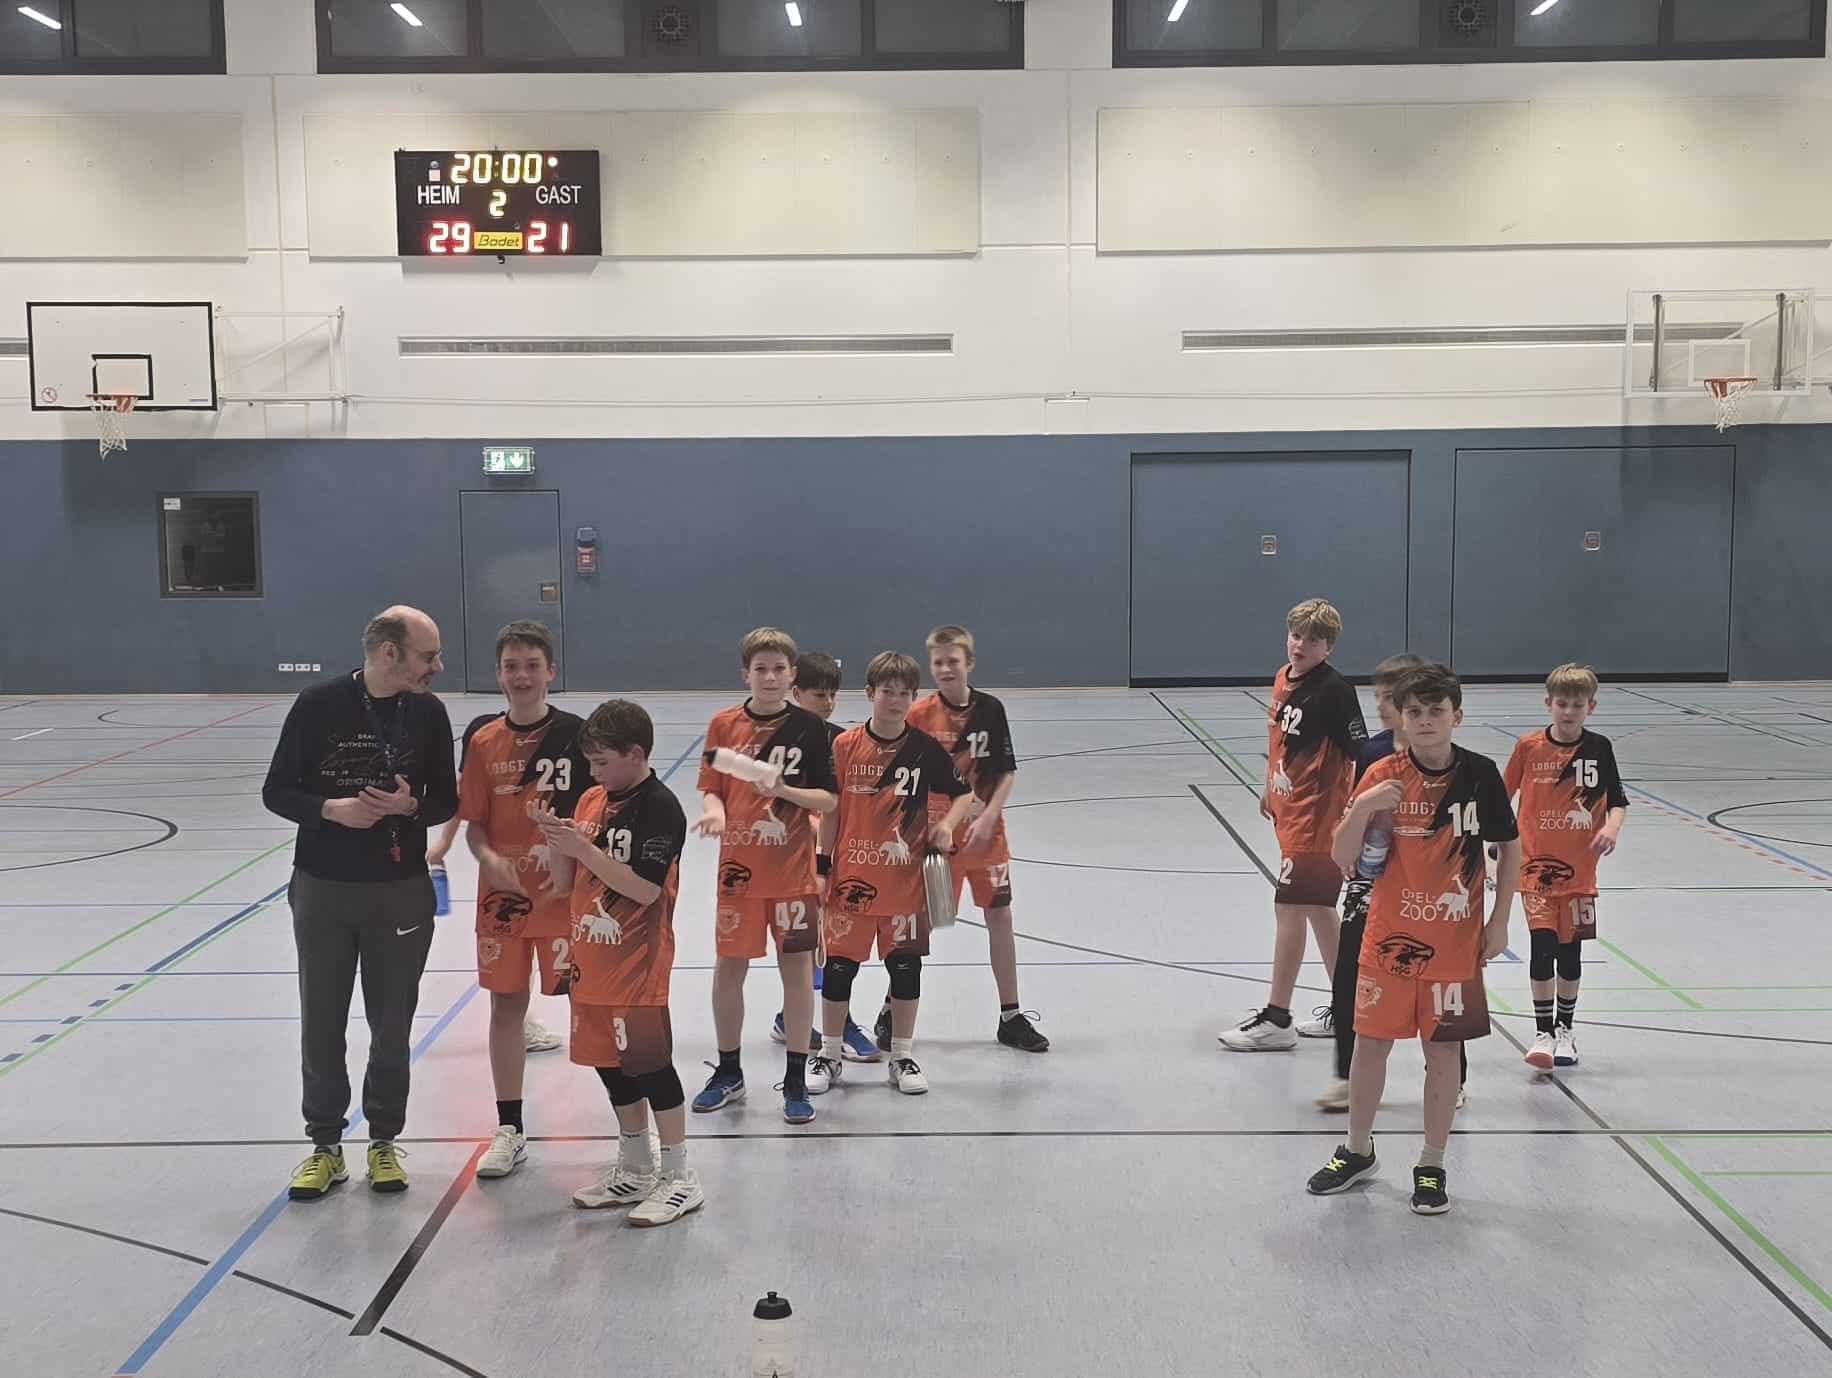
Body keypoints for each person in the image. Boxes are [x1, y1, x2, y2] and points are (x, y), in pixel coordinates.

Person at [1307, 664, 1519, 1215]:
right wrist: (1363, 806)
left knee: (1443, 1053)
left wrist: (1500, 920)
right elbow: (1341, 856)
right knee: (1370, 1047)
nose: (1426, 721)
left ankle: (1431, 1162)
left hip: (1455, 945)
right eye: (1415, 712)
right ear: (1401, 717)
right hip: (1387, 940)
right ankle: (1357, 1151)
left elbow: (1510, 847)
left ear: (1457, 717)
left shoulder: (1480, 774)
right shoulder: (1382, 773)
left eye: (1436, 711)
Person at [263, 607, 457, 1201]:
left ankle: (383, 1140)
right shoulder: (318, 704)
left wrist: (409, 808)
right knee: (321, 1021)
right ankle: (324, 1145)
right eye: (428, 655)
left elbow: (445, 800)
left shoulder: (427, 713)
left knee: (391, 1022)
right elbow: (277, 790)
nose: (438, 667)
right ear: (390, 652)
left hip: (399, 889)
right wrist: (331, 810)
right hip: (323, 887)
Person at [537, 699, 701, 1227]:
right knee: (609, 1066)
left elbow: (645, 890)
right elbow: (564, 884)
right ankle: (635, 1165)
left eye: (602, 762)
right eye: (590, 762)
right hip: (590, 962)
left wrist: (583, 850)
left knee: (650, 1067)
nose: (593, 773)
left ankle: (680, 1177)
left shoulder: (660, 807)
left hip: (637, 967)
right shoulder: (590, 800)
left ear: (635, 753)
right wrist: (557, 842)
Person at [453, 621, 594, 1177]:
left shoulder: (577, 736)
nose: (522, 676)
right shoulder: (484, 741)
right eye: (512, 666)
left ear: (550, 671)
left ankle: (636, 1128)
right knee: (506, 1007)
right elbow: (474, 826)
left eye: (532, 665)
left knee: (596, 1007)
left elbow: (598, 815)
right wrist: (489, 859)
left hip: (566, 900)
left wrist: (570, 862)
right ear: (498, 674)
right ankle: (509, 1128)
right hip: (503, 904)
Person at [809, 652, 973, 1096]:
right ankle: (829, 1054)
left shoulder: (924, 748)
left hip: (905, 884)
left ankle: (901, 1056)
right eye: (887, 691)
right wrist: (822, 867)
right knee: (839, 968)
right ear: (869, 693)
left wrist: (946, 825)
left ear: (913, 697)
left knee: (905, 968)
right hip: (852, 880)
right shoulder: (845, 746)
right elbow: (831, 811)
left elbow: (963, 793)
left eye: (904, 693)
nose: (895, 700)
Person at [1222, 599, 1367, 1051]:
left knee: (1288, 908)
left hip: (1318, 821)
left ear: (1329, 647)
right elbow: (1281, 742)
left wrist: (1358, 815)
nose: (1300, 645)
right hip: (1290, 810)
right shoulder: (1283, 678)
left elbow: (1363, 755)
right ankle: (1349, 1010)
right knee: (1319, 910)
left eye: (1313, 639)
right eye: (1296, 635)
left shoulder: (1335, 691)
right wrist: (1270, 785)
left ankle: (1277, 1017)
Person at [906, 624, 1048, 1052]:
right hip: (940, 839)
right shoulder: (920, 715)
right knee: (922, 924)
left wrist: (989, 816)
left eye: (953, 661)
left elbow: (1007, 771)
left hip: (987, 841)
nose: (945, 668)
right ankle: (892, 1009)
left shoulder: (990, 710)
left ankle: (1011, 1016)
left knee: (999, 916)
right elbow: (908, 779)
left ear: (969, 663)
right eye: (938, 662)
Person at [1502, 663, 1628, 1072]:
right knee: (1542, 948)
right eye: (1561, 704)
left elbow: (1618, 802)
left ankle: (1565, 1029)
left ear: (1591, 707)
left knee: (1570, 953)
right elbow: (1501, 798)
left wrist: (1611, 827)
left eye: (1577, 705)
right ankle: (1542, 1032)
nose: (1568, 712)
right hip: (1535, 869)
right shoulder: (1529, 747)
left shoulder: (1599, 748)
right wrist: (1493, 849)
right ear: (1548, 704)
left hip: (1580, 873)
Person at [1317, 652, 1423, 1111]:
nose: (1380, 705)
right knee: (1348, 975)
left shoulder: (1439, 758)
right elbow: (1355, 815)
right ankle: (1346, 1074)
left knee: (1432, 980)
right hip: (1370, 882)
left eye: (1390, 697)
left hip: (1423, 887)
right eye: (1377, 696)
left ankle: (1450, 1073)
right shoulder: (1372, 753)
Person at [770, 651, 880, 1063]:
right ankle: (809, 1019)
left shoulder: (843, 741)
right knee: (804, 945)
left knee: (836, 942)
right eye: (819, 694)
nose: (829, 702)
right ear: (796, 691)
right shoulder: (777, 742)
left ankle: (830, 1019)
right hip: (789, 856)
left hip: (834, 855)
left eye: (833, 694)